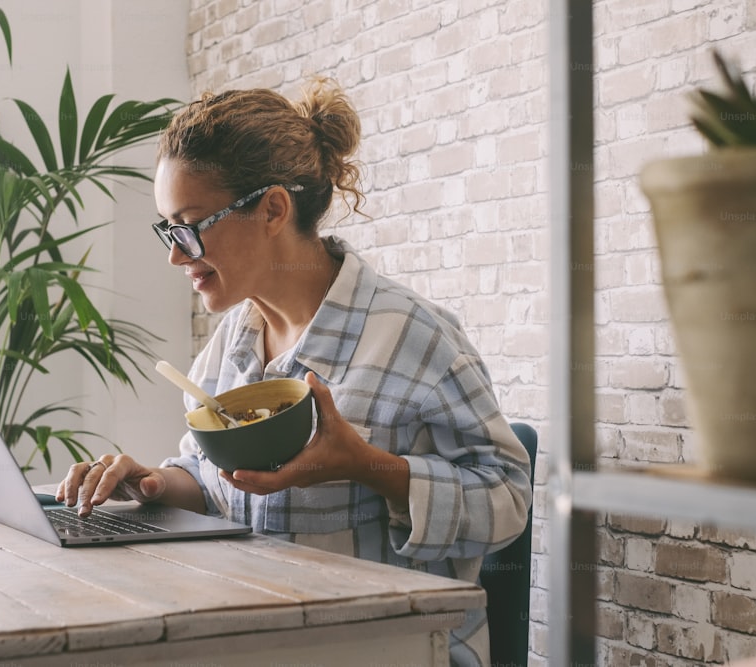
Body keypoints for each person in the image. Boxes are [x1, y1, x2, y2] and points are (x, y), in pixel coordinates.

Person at [56, 77, 532, 667]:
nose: (175, 254)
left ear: (272, 208)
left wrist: (369, 467)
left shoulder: (414, 336)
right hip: (258, 640)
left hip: (394, 650)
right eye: (167, 228)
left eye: (189, 225)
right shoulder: (234, 337)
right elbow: (208, 477)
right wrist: (153, 484)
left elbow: (509, 502)